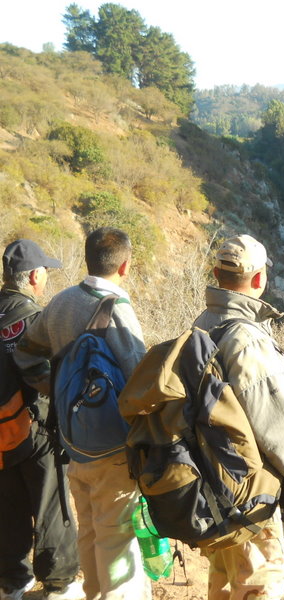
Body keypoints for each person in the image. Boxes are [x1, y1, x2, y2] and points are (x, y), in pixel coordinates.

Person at [14, 228, 150, 600]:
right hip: (114, 446)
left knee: (88, 529)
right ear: (125, 265)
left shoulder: (59, 302)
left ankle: (94, 594)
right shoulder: (118, 309)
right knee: (116, 534)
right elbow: (140, 383)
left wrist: (57, 393)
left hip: (73, 441)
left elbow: (25, 355)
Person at [193, 234, 284, 600]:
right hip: (249, 487)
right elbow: (275, 417)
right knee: (261, 582)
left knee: (225, 576)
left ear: (216, 273)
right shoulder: (247, 338)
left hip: (211, 477)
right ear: (260, 279)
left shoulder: (202, 323)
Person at [0, 240, 83, 600]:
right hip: (36, 428)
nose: (45, 278)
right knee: (51, 505)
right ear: (34, 276)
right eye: (45, 272)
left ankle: (12, 581)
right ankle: (59, 583)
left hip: (2, 432)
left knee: (9, 506)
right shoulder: (36, 318)